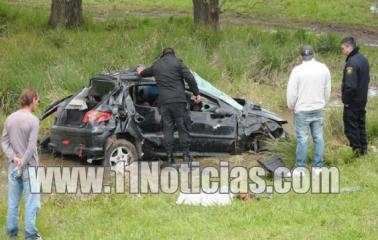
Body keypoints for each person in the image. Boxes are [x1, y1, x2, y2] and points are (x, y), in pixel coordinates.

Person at [136, 48, 201, 164]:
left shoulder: (157, 65)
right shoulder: (178, 63)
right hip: (179, 102)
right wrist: (196, 94)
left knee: (168, 130)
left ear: (163, 55)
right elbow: (190, 78)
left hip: (165, 103)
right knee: (183, 129)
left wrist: (140, 71)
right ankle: (186, 157)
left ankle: (170, 158)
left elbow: (145, 73)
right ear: (173, 54)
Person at [1, 88, 41, 239]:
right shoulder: (33, 120)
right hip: (29, 168)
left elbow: (3, 142)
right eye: (38, 100)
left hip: (13, 168)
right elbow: (31, 147)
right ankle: (31, 235)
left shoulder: (10, 118)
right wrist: (22, 164)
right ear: (32, 100)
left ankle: (12, 234)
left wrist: (13, 158)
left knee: (13, 203)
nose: (38, 103)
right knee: (33, 203)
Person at [287, 45, 331, 176]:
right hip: (318, 108)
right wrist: (323, 103)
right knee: (318, 137)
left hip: (302, 110)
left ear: (301, 56)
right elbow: (327, 89)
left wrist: (291, 106)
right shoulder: (324, 68)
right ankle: (318, 167)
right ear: (314, 54)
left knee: (302, 139)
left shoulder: (297, 70)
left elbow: (292, 93)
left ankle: (300, 168)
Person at [340, 37, 370, 156]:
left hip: (353, 101)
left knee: (351, 127)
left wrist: (345, 101)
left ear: (349, 47)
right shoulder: (363, 59)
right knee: (360, 125)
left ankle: (357, 152)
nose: (342, 51)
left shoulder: (352, 62)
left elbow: (350, 86)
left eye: (343, 48)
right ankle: (364, 149)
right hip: (362, 99)